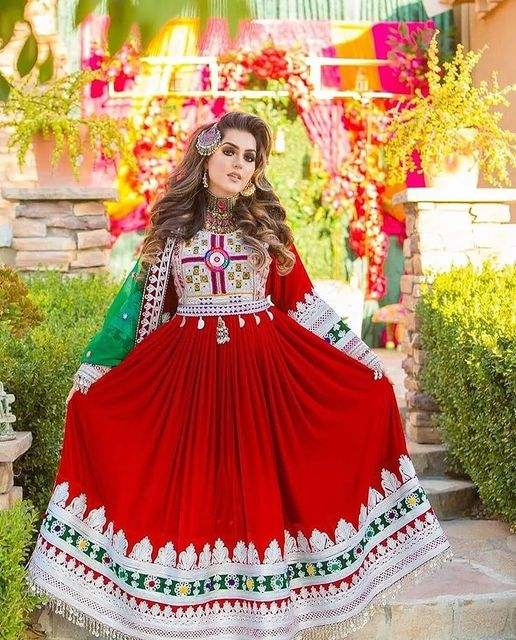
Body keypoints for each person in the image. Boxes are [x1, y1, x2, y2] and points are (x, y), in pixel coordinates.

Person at [27, 111, 452, 640]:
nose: (239, 164)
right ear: (207, 154)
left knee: (258, 483)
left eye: (249, 157)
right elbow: (136, 311)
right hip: (188, 378)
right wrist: (97, 372)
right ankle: (193, 607)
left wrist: (359, 357)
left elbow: (304, 305)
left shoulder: (266, 230)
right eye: (230, 151)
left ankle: (266, 607)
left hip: (263, 377)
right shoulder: (172, 232)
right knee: (201, 484)